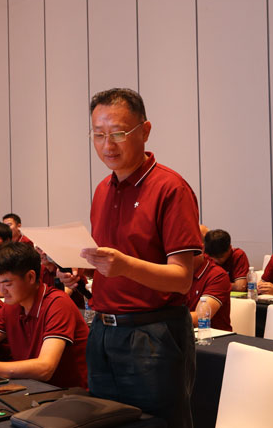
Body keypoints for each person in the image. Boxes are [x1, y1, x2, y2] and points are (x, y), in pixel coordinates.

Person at [59, 88, 202, 426]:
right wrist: (83, 271)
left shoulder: (170, 188)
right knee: (105, 422)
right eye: (98, 135)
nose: (107, 145)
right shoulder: (102, 190)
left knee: (157, 424)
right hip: (103, 331)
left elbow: (182, 278)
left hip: (153, 333)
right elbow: (111, 264)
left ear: (145, 130)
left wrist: (124, 265)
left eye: (118, 133)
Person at [0, 242, 88, 389]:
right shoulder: (11, 306)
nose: (2, 290)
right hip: (31, 387)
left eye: (7, 283)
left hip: (67, 393)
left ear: (30, 277)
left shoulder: (57, 303)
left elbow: (45, 368)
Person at [185, 249, 232, 331]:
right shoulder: (176, 273)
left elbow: (200, 318)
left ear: (201, 250)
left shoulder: (217, 275)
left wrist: (167, 318)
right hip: (180, 333)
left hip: (211, 336)